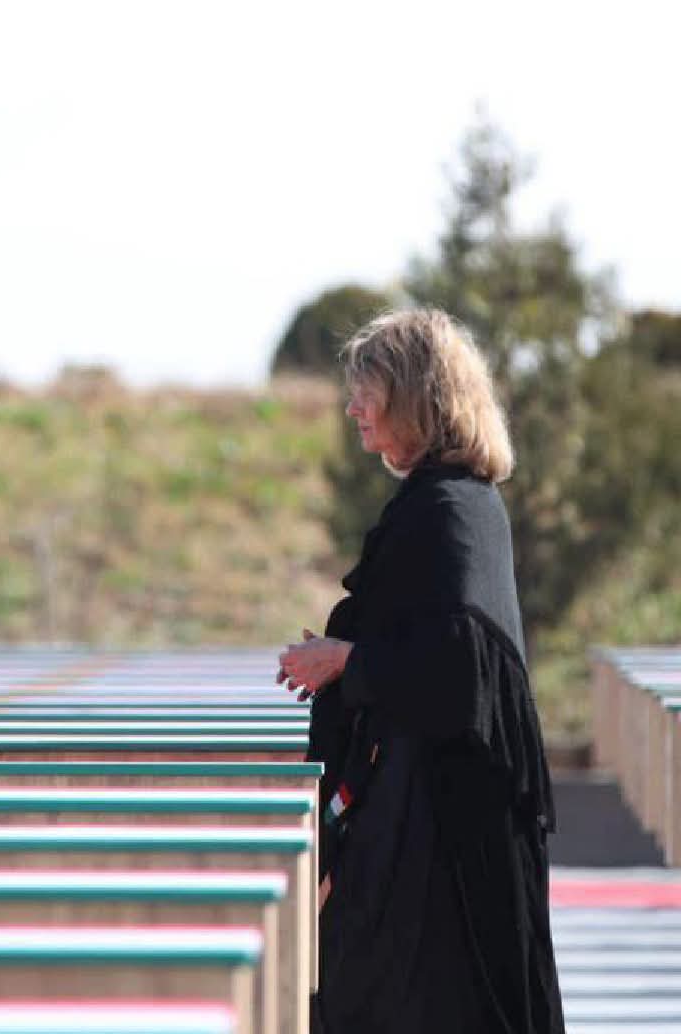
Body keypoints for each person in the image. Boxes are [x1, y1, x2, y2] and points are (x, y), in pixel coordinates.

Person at [278, 309, 563, 1034]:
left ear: (411, 397)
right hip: (432, 823)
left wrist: (347, 660)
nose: (353, 409)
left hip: (441, 841)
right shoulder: (452, 501)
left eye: (366, 392)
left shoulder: (450, 508)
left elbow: (460, 668)